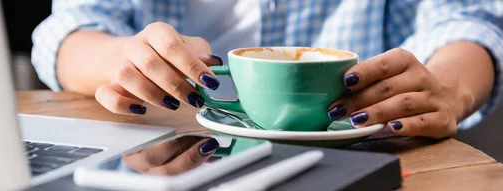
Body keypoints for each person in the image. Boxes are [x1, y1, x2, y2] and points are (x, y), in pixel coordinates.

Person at [32, 0, 503, 139]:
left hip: (361, 162)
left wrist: (449, 88)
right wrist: (122, 59)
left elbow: (467, 21)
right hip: (180, 155)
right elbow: (70, 29)